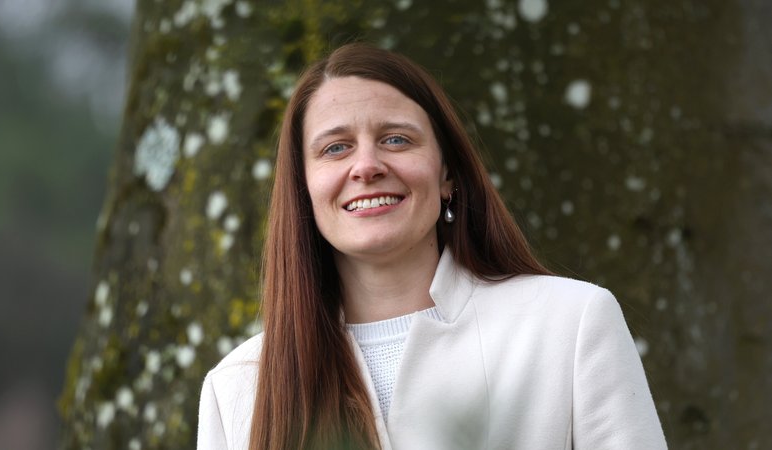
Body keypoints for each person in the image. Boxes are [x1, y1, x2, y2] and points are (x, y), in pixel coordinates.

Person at [197, 43, 667, 450]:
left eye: (396, 139)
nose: (367, 166)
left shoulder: (570, 324)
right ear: (304, 188)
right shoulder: (239, 387)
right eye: (335, 148)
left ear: (447, 175)